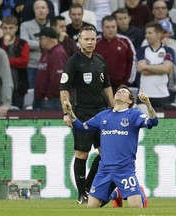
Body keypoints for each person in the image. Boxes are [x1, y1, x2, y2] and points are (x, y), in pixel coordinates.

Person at [62, 85, 158, 208]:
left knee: (135, 206)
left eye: (123, 92)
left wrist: (148, 104)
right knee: (92, 207)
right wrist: (70, 112)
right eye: (118, 91)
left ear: (129, 101)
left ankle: (138, 193)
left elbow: (153, 122)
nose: (119, 92)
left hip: (125, 169)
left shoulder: (134, 115)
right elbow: (82, 128)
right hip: (104, 170)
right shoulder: (103, 116)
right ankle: (116, 194)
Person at [59, 25, 114, 204]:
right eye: (86, 39)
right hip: (82, 112)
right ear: (79, 41)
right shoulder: (73, 61)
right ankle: (81, 194)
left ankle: (89, 186)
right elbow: (64, 88)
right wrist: (66, 112)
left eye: (92, 39)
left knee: (106, 154)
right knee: (82, 152)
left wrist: (114, 108)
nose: (90, 42)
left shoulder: (101, 60)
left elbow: (106, 85)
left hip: (101, 112)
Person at [136, 21, 175, 108]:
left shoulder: (168, 51)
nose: (147, 36)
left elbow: (167, 69)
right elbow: (142, 71)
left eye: (150, 33)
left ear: (159, 34)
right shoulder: (141, 50)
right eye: (146, 33)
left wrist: (146, 66)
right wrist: (160, 68)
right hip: (143, 95)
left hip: (162, 95)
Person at [95, 15, 136, 93]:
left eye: (113, 27)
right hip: (99, 87)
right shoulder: (94, 43)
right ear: (102, 27)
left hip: (121, 87)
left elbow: (132, 62)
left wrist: (126, 83)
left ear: (117, 27)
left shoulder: (125, 41)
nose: (111, 30)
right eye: (107, 27)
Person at [0, 15, 29, 109]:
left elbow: (24, 62)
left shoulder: (23, 43)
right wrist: (4, 46)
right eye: (5, 28)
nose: (7, 31)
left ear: (16, 28)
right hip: (0, 87)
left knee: (18, 112)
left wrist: (5, 61)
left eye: (11, 28)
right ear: (1, 28)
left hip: (18, 86)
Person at [33, 27, 67, 111]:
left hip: (51, 101)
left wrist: (48, 96)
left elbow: (57, 79)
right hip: (41, 99)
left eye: (41, 39)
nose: (39, 41)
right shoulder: (46, 52)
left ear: (47, 39)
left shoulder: (58, 53)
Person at [20, 0, 50, 89]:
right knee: (32, 95)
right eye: (37, 8)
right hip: (32, 65)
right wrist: (43, 44)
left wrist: (34, 46)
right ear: (34, 11)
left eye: (43, 8)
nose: (40, 10)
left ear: (48, 10)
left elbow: (56, 44)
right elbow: (24, 42)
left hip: (50, 65)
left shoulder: (53, 24)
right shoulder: (25, 25)